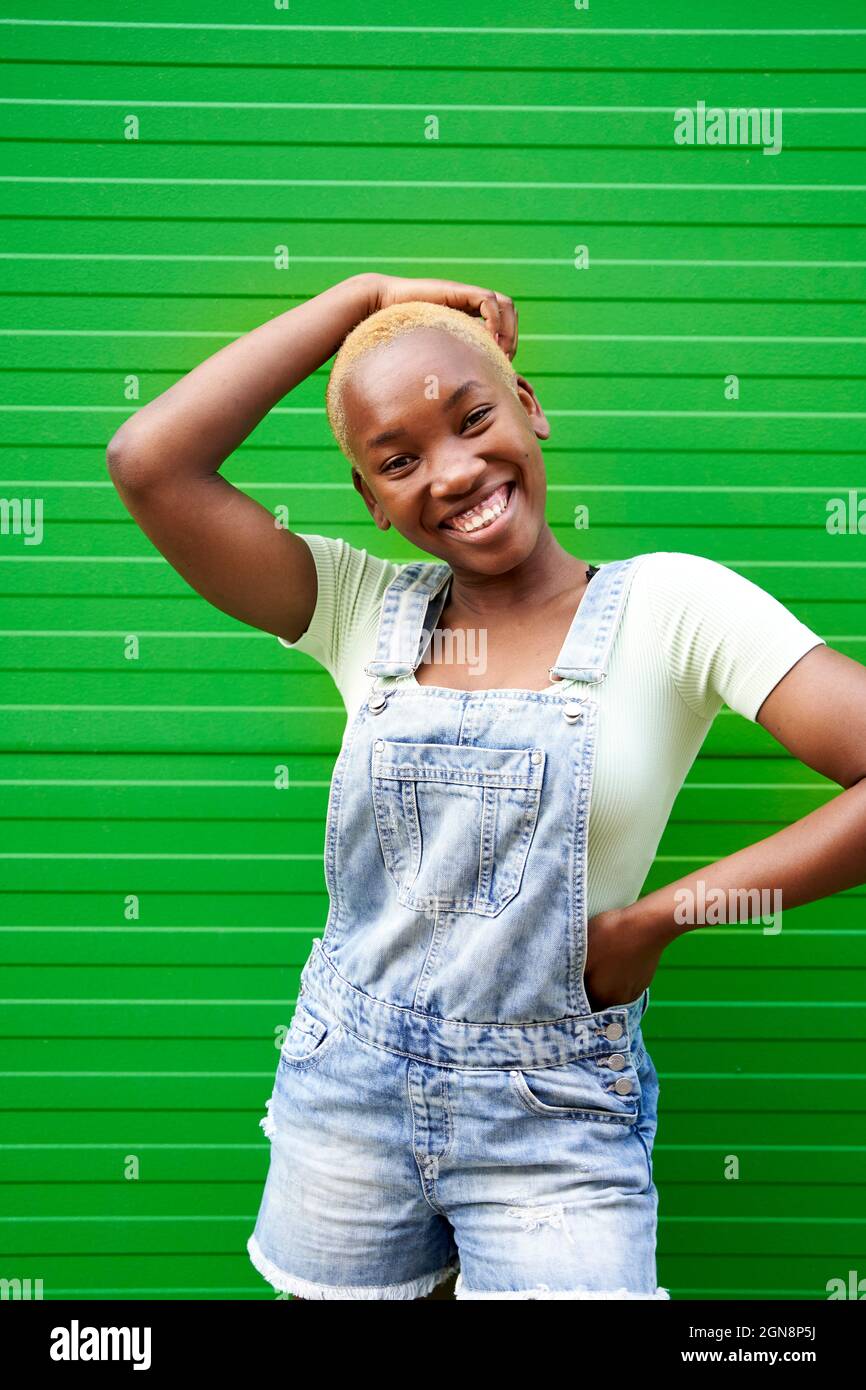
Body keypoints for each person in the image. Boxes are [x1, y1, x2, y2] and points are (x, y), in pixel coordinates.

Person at [106, 274, 866, 1301]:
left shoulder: (672, 605)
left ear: (530, 408)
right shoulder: (353, 608)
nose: (455, 471)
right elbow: (149, 464)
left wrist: (654, 923)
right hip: (346, 1092)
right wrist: (355, 301)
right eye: (399, 461)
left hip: (553, 1109)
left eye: (473, 418)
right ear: (372, 502)